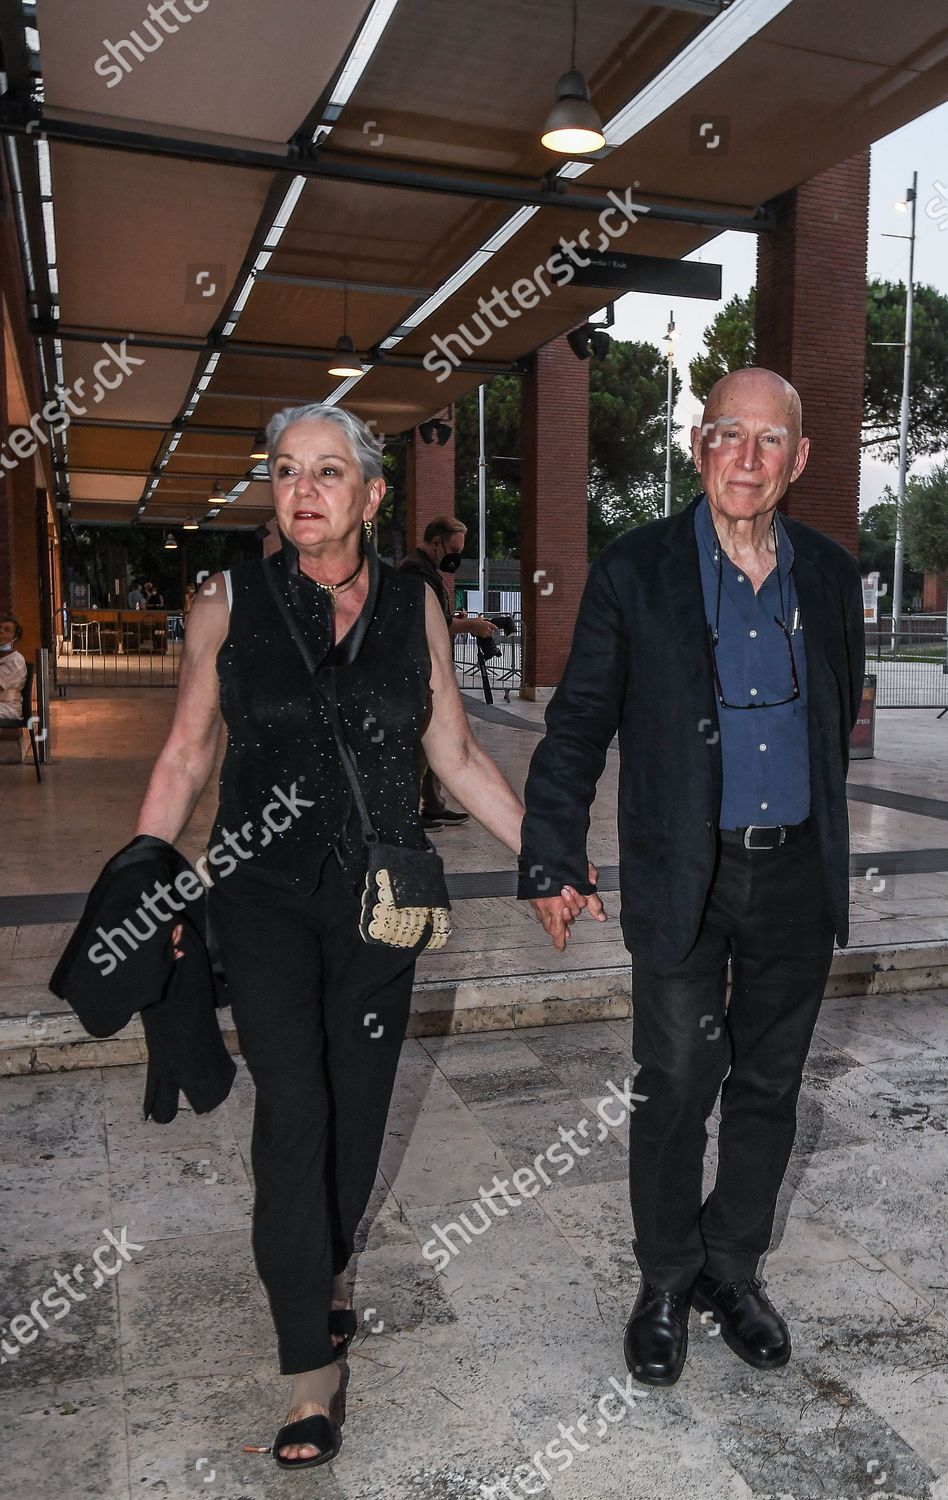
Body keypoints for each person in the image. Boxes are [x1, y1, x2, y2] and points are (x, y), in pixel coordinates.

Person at [133, 404, 526, 1467]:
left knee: (356, 1115)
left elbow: (453, 752)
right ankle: (310, 1367)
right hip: (259, 899)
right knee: (293, 1115)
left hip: (377, 907)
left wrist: (547, 853)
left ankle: (331, 1261)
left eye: (327, 473)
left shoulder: (414, 605)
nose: (303, 491)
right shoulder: (227, 602)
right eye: (285, 471)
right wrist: (142, 876)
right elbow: (183, 757)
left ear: (371, 493)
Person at [519, 368, 865, 1387]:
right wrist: (550, 847)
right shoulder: (637, 569)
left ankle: (734, 1270)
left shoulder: (832, 577)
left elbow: (835, 715)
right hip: (685, 874)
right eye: (728, 435)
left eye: (770, 442)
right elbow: (579, 721)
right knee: (675, 1084)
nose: (747, 459)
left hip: (796, 873)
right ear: (698, 446)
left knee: (769, 1085)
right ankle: (666, 1279)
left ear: (798, 461)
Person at [399, 516, 498, 828]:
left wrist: (460, 619)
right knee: (419, 741)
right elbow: (428, 622)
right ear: (437, 542)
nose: (456, 557)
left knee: (435, 736)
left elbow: (437, 616)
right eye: (454, 549)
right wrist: (474, 626)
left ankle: (433, 804)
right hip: (416, 667)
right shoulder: (415, 570)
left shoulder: (426, 570)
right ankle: (406, 812)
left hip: (429, 666)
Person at [0, 615, 27, 721]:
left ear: (15, 637)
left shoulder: (16, 661)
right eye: (0, 628)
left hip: (7, 707)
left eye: (7, 630)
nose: (1, 631)